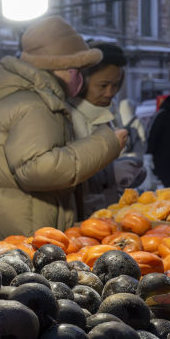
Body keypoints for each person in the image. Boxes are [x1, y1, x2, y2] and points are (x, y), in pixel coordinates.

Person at [0, 16, 126, 245]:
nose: (80, 77)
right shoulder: (35, 105)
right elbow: (37, 169)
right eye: (77, 69)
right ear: (62, 68)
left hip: (2, 236)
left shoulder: (13, 97)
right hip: (21, 240)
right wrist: (106, 143)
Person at [68, 43, 146, 216]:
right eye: (103, 85)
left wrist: (122, 170)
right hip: (82, 215)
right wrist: (110, 174)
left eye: (116, 85)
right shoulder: (68, 116)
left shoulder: (110, 110)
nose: (110, 92)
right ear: (81, 81)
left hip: (105, 210)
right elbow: (65, 171)